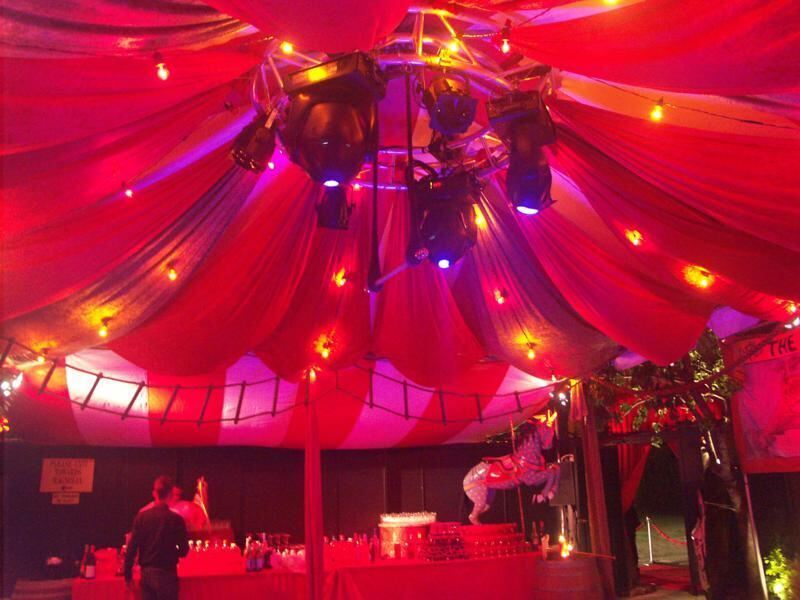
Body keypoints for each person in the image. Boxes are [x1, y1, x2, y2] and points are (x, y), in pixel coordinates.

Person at [125, 476, 189, 600]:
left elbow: (131, 549)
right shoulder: (176, 520)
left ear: (154, 494)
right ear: (170, 494)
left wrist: (128, 576)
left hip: (147, 574)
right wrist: (170, 550)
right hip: (167, 573)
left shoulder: (141, 517)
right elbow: (184, 551)